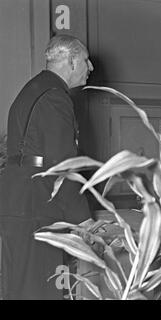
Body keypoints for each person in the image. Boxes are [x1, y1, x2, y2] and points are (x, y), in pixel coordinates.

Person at [0, 35, 94, 299]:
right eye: (86, 60)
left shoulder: (33, 89)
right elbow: (61, 165)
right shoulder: (55, 98)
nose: (90, 67)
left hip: (18, 202)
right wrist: (84, 220)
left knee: (19, 289)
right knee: (40, 291)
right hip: (37, 206)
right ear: (72, 61)